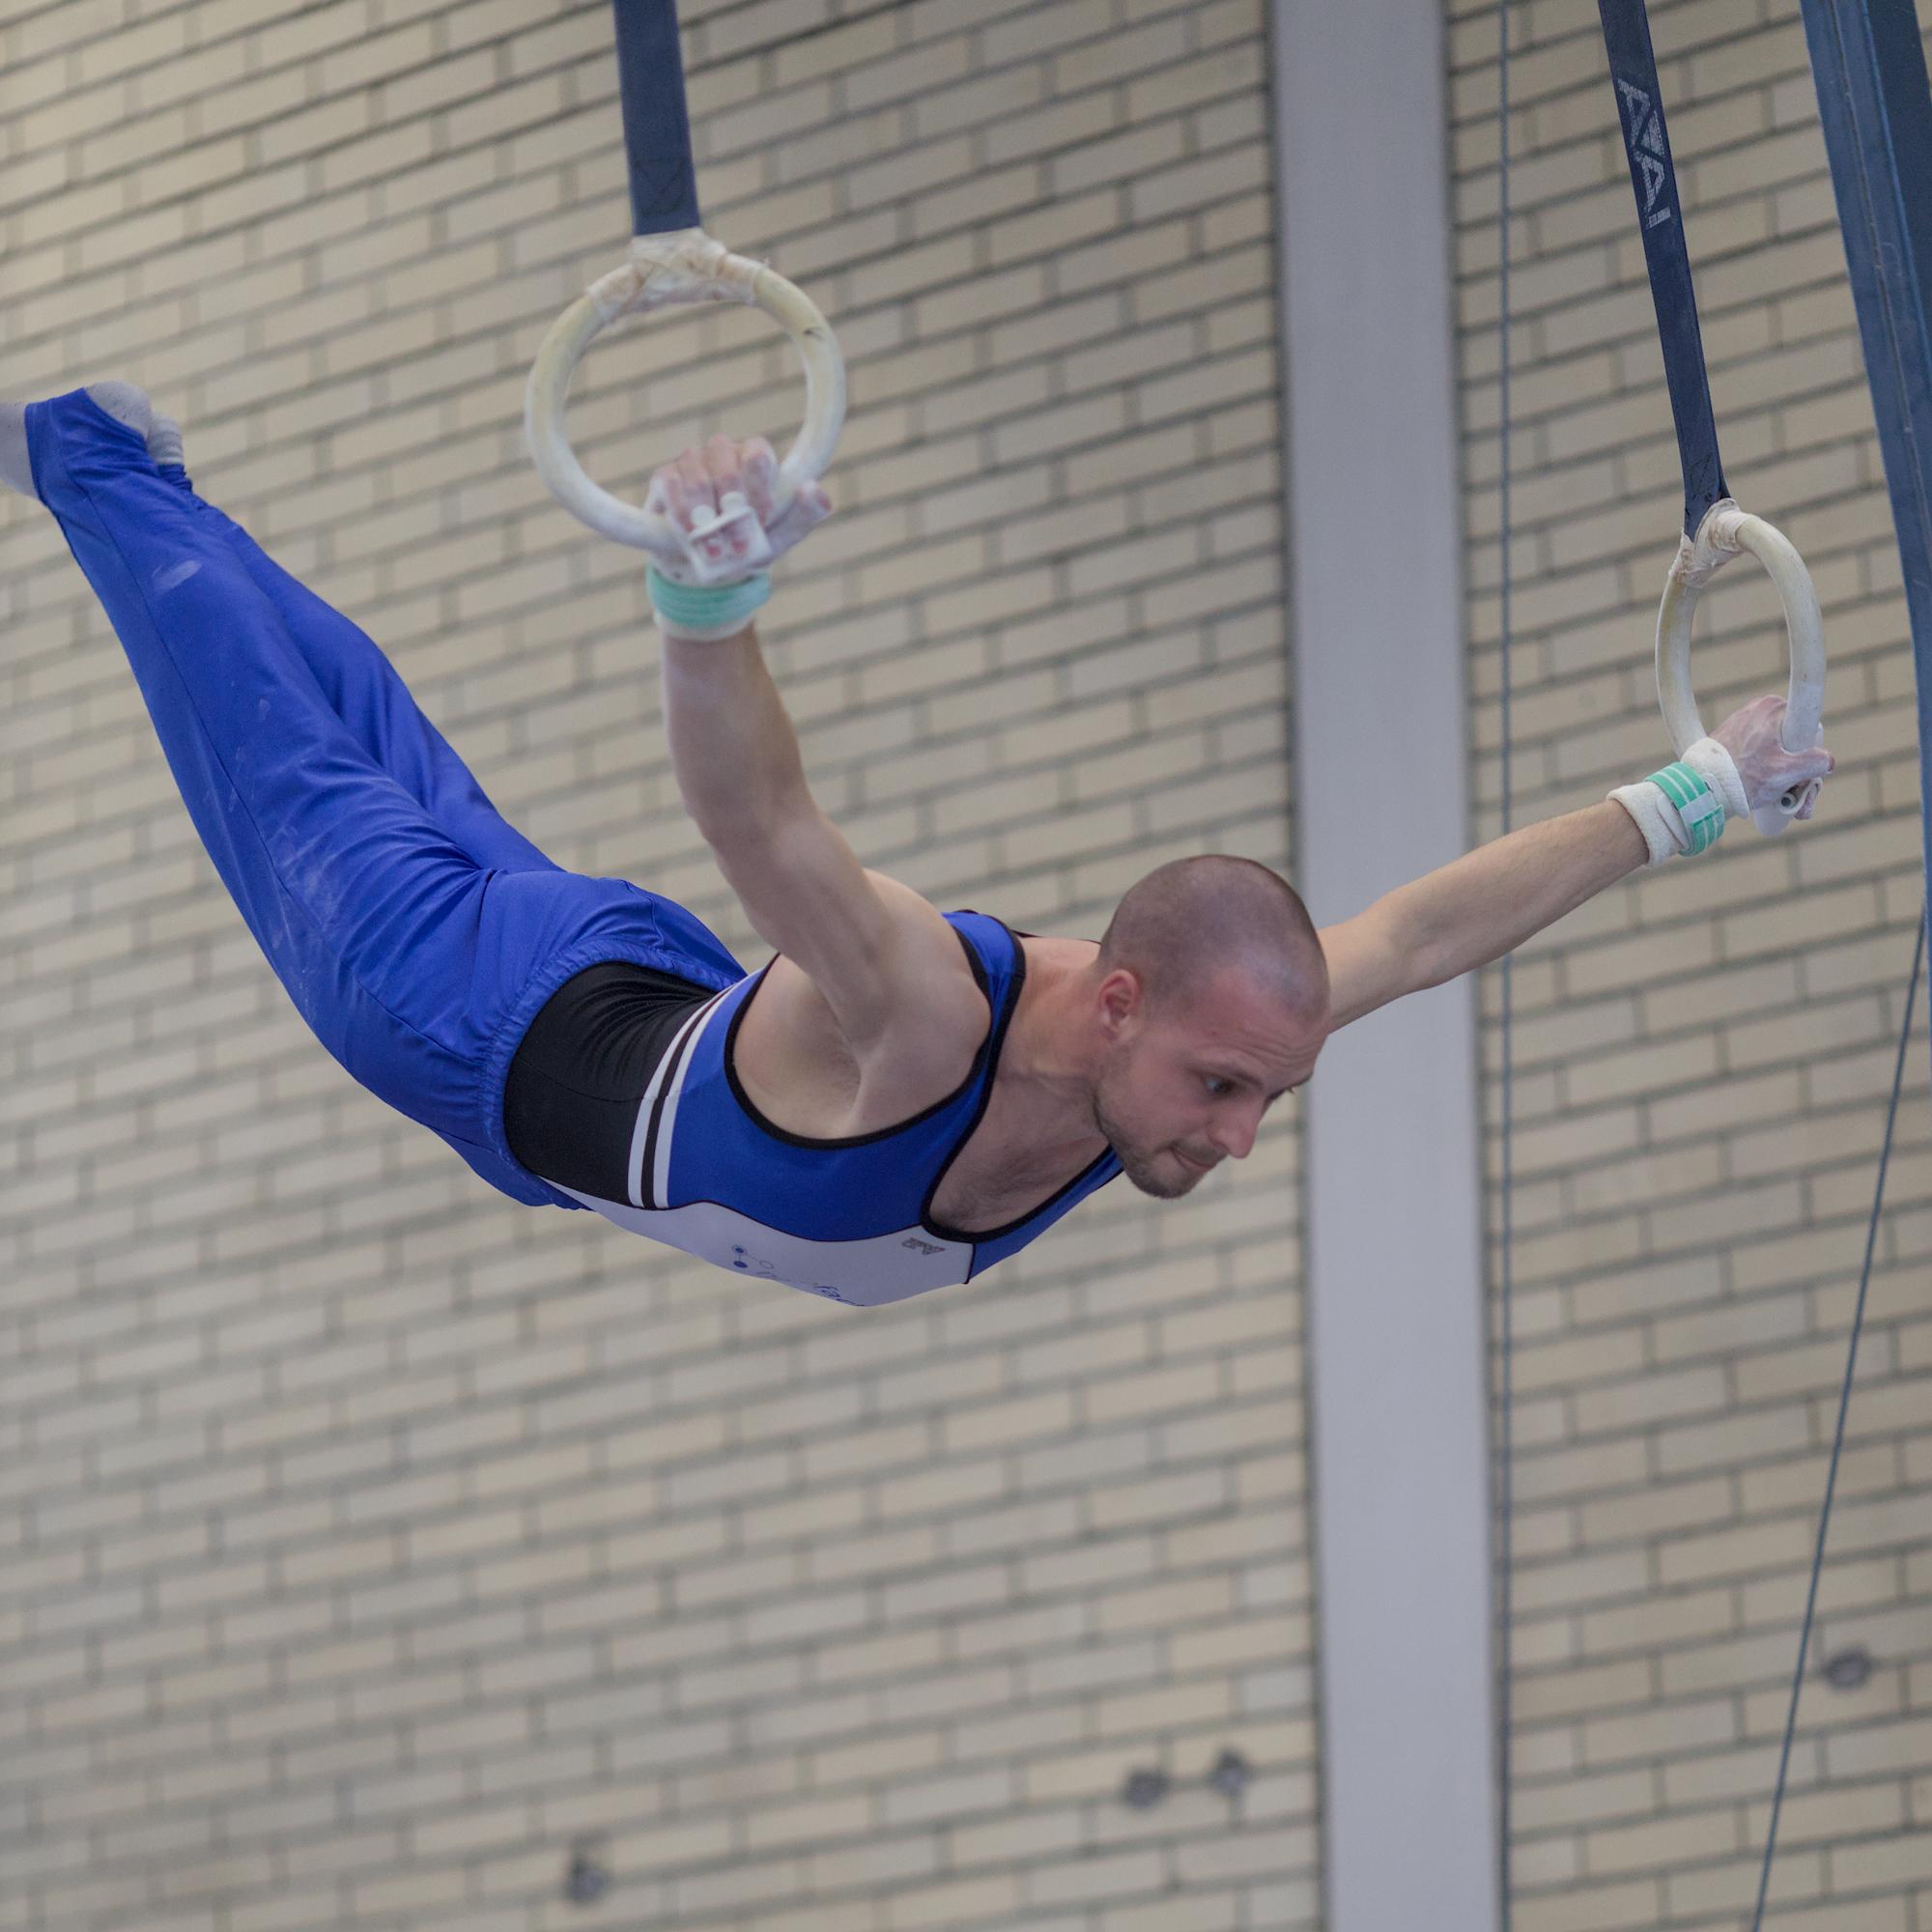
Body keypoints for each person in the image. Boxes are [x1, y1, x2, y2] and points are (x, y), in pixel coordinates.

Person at [1, 385, 1836, 1305]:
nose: (1236, 1136)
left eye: (1259, 1097)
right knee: (277, 746)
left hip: (612, 978)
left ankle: (152, 478)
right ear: (1114, 1002)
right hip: (467, 1032)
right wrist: (706, 605)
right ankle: (89, 453)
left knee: (359, 726)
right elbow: (762, 820)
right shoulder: (920, 1013)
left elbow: (1425, 932)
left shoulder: (1208, 1034)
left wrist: (1690, 795)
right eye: (1218, 1090)